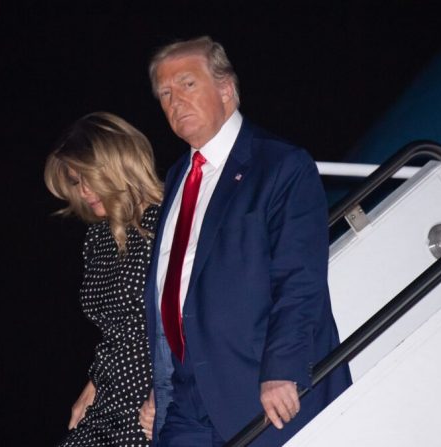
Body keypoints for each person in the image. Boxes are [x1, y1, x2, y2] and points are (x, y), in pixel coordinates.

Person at [138, 36, 352, 446]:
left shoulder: (280, 164)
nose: (174, 101)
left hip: (257, 389)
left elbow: (299, 278)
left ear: (226, 89)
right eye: (165, 93)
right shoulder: (178, 179)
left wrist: (283, 369)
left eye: (187, 84)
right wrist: (161, 379)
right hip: (185, 400)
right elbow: (176, 285)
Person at [45, 111, 163, 446]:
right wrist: (94, 382)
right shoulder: (98, 238)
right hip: (111, 392)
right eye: (75, 182)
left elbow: (189, 316)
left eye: (88, 177)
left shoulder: (168, 219)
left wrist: (166, 392)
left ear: (117, 163)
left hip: (150, 393)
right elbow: (117, 329)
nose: (83, 191)